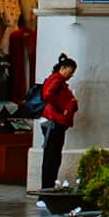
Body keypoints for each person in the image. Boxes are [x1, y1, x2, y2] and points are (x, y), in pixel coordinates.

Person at [38, 55, 78, 191]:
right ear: (63, 68)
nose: (71, 75)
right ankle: (46, 189)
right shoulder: (56, 80)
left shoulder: (58, 81)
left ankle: (49, 188)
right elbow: (48, 95)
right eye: (70, 72)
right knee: (52, 157)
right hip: (54, 122)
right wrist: (64, 108)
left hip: (56, 122)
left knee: (53, 157)